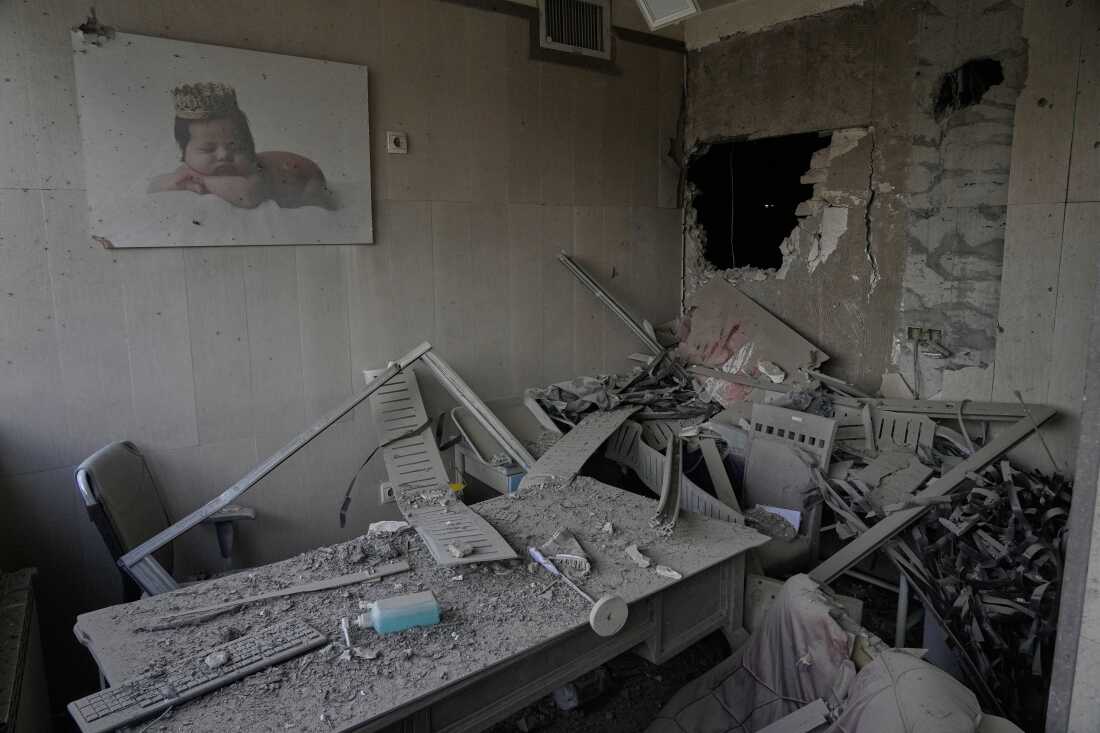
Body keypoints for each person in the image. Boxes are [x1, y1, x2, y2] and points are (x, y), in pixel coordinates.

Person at [147, 82, 336, 210]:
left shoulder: (250, 170)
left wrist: (204, 181)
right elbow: (153, 186)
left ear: (249, 147)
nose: (223, 155)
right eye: (208, 149)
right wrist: (174, 180)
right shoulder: (191, 169)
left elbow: (248, 195)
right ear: (184, 151)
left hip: (307, 180)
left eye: (235, 147)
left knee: (314, 205)